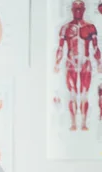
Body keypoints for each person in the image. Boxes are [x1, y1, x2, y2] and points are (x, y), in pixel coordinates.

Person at [54, 0, 102, 131]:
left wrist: (99, 63)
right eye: (76, 8)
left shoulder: (90, 27)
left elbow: (96, 47)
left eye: (80, 8)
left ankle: (85, 123)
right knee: (73, 93)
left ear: (84, 10)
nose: (78, 11)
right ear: (72, 10)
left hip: (85, 62)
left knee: (84, 93)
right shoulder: (65, 28)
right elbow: (60, 47)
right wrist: (57, 63)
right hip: (71, 62)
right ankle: (74, 123)